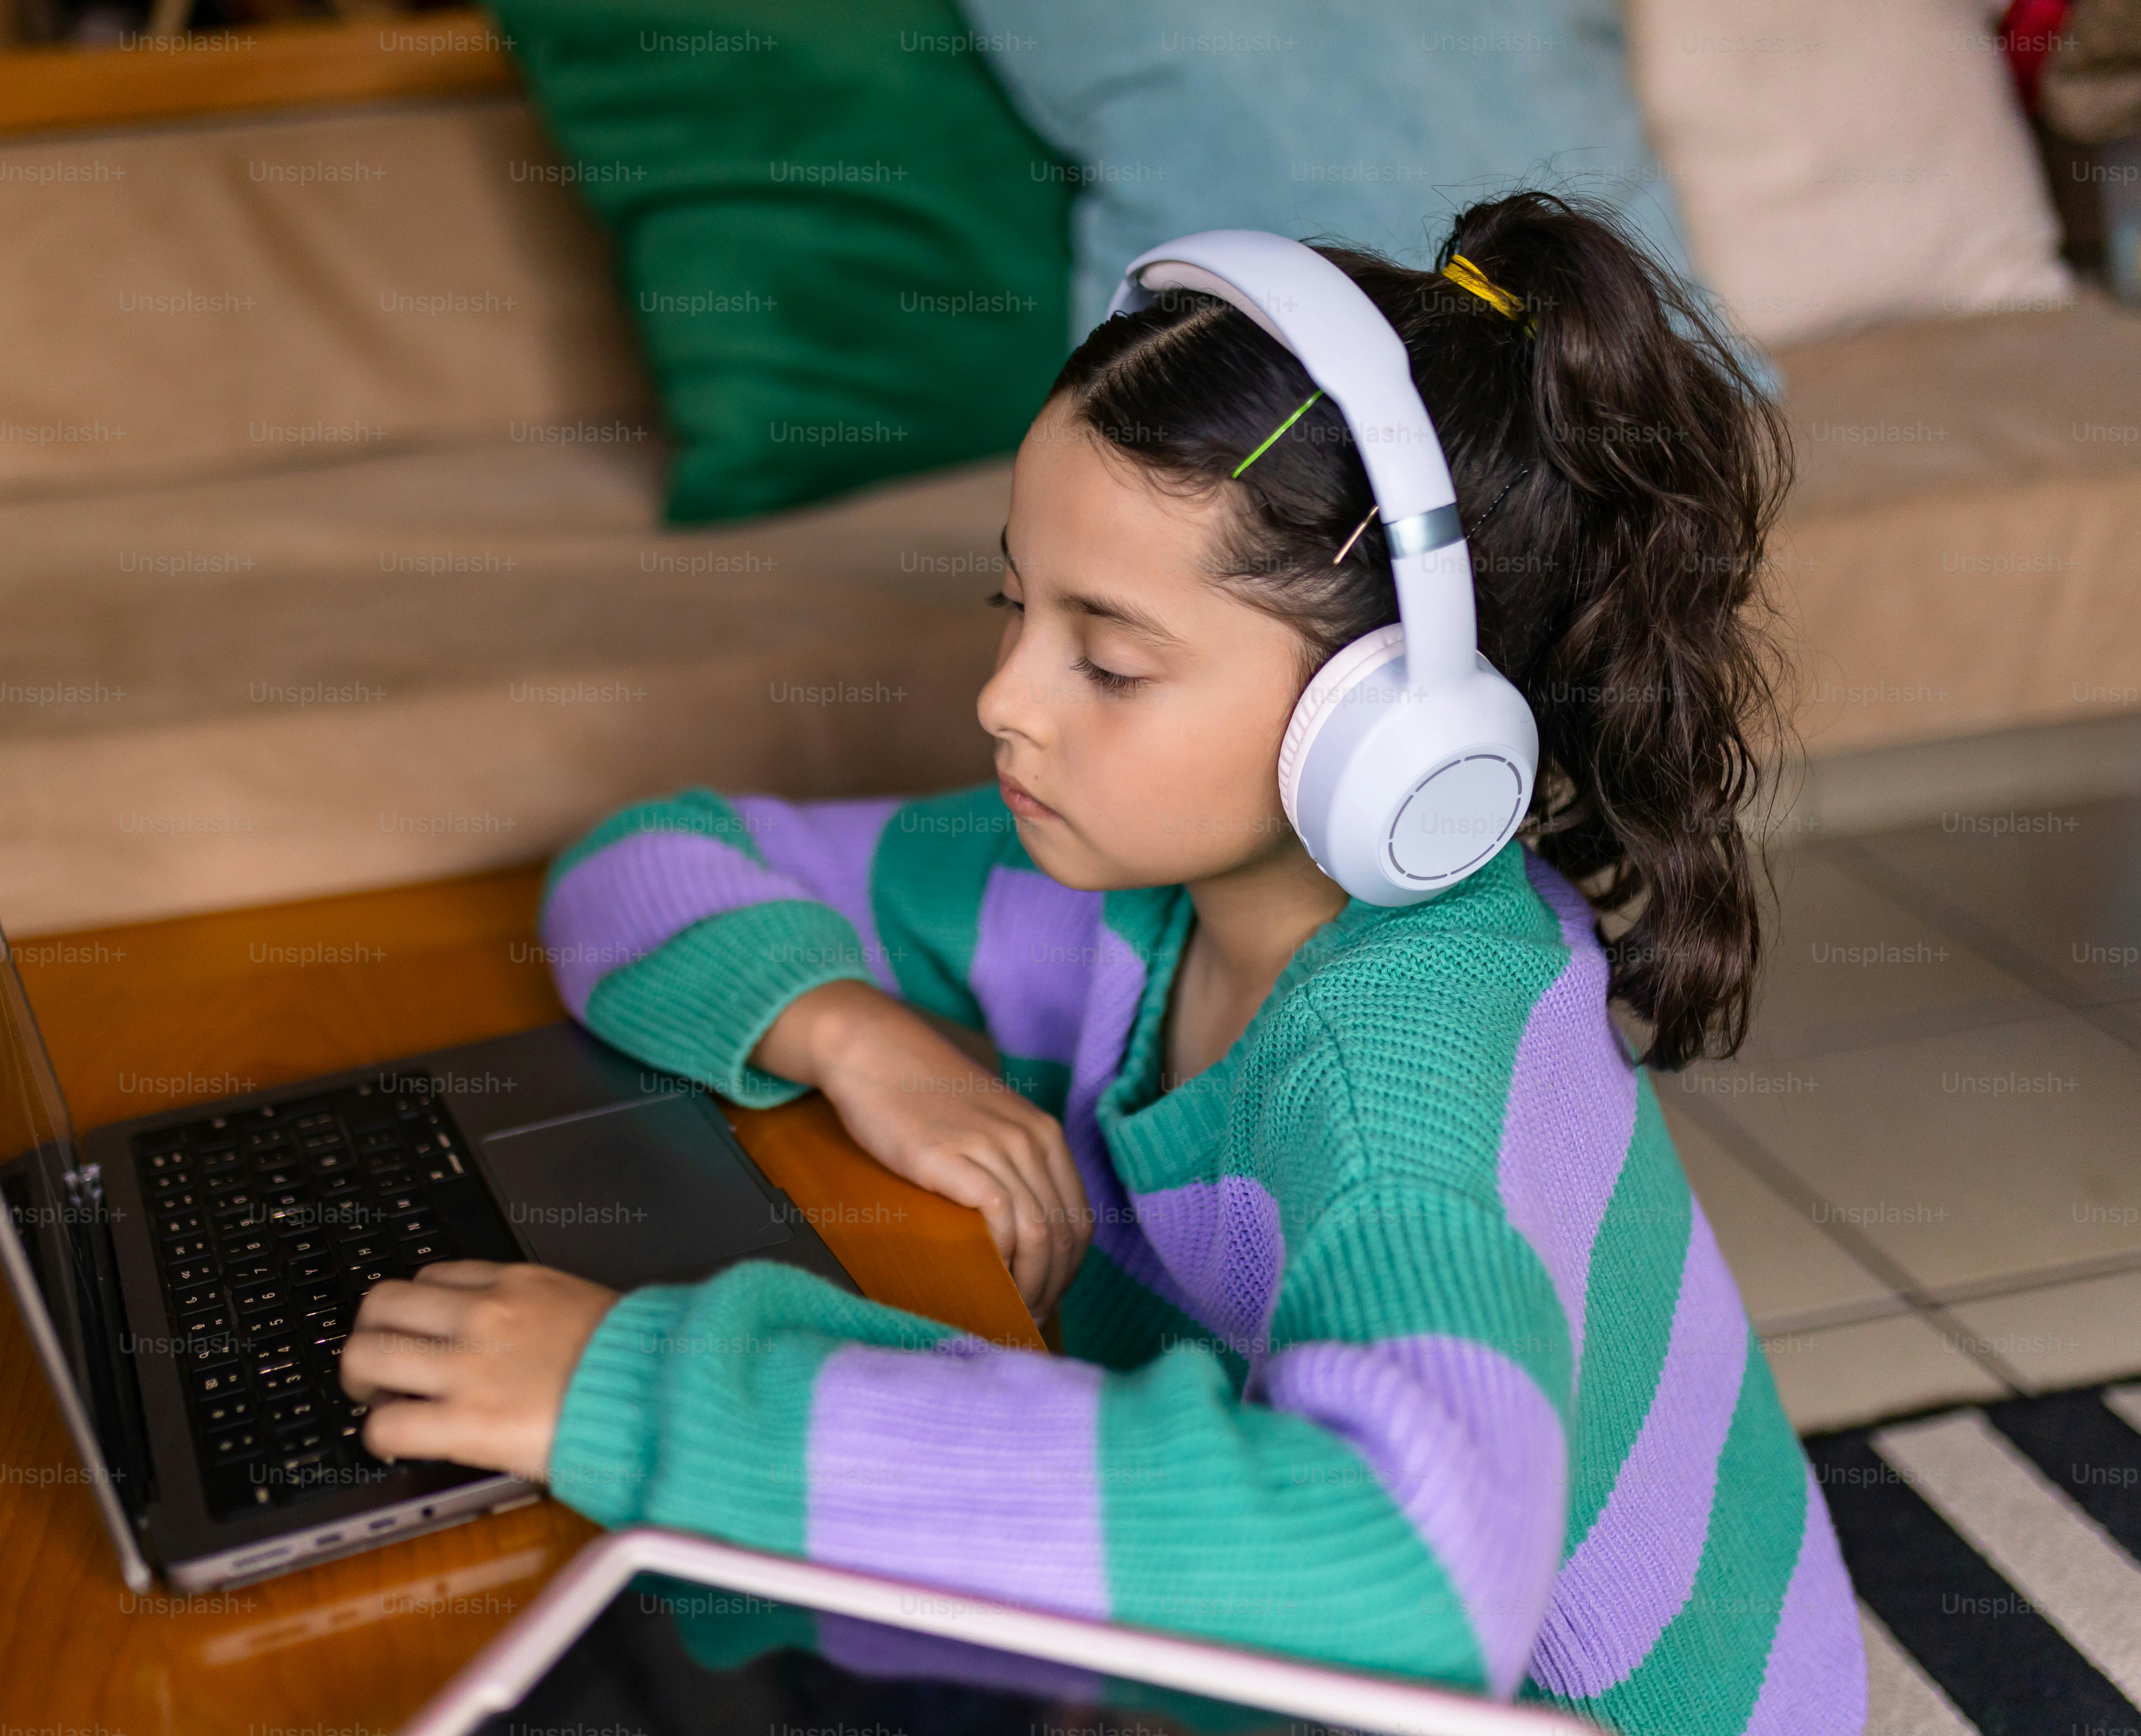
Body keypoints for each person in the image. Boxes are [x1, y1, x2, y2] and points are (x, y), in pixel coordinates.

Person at [338, 189, 1867, 1734]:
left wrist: (644, 1394)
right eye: (1015, 605)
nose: (1007, 699)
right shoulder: (1101, 878)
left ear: (1389, 730)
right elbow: (641, 862)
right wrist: (852, 1032)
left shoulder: (1411, 1069)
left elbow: (1405, 1580)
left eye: (1110, 660)